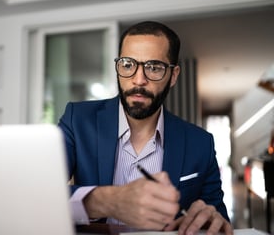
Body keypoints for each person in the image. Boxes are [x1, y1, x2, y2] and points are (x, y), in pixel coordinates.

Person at [58, 21, 233, 234]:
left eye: (154, 67)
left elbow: (219, 219)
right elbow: (40, 192)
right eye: (128, 64)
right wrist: (108, 201)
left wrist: (211, 218)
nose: (138, 80)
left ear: (173, 76)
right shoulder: (77, 120)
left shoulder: (201, 143)